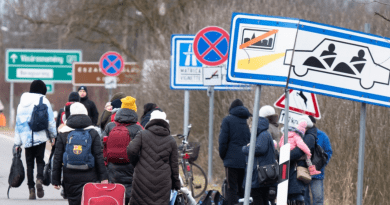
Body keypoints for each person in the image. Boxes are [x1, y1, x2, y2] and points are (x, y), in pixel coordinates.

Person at [52, 102, 108, 205]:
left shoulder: (64, 132)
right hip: (90, 175)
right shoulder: (93, 132)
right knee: (88, 201)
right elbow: (98, 156)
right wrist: (103, 177)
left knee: (73, 201)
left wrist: (56, 179)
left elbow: (57, 157)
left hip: (69, 175)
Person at [14, 80, 57, 200]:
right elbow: (50, 121)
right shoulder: (44, 100)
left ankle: (31, 189)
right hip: (40, 136)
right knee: (40, 160)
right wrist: (53, 136)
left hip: (26, 138)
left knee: (29, 164)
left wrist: (17, 143)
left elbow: (18, 124)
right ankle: (39, 179)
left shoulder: (21, 103)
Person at [127, 110, 180, 205]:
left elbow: (131, 150)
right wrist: (176, 184)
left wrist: (137, 164)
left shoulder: (142, 134)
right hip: (163, 181)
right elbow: (174, 165)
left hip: (142, 179)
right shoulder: (171, 140)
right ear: (165, 122)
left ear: (151, 121)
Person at [101, 96, 143, 205]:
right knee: (130, 192)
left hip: (112, 166)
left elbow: (101, 145)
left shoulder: (110, 126)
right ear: (134, 110)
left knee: (115, 193)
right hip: (131, 166)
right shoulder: (138, 128)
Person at [218, 99, 251, 205]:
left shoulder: (227, 120)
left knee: (231, 188)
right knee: (242, 187)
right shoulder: (246, 122)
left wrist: (223, 156)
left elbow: (223, 141)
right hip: (244, 160)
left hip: (231, 160)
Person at [242, 113, 276, 205]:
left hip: (260, 175)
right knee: (263, 198)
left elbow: (259, 149)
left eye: (251, 124)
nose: (249, 126)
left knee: (257, 197)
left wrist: (245, 148)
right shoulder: (263, 134)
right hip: (263, 174)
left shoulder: (263, 135)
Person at [287, 115, 317, 205]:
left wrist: (284, 155)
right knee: (295, 195)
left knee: (297, 196)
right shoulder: (306, 136)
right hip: (296, 169)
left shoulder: (309, 137)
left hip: (299, 169)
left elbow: (298, 152)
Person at [304, 116, 333, 205]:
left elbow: (328, 152)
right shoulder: (301, 134)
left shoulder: (322, 136)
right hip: (303, 172)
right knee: (304, 200)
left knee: (318, 199)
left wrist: (322, 164)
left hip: (317, 173)